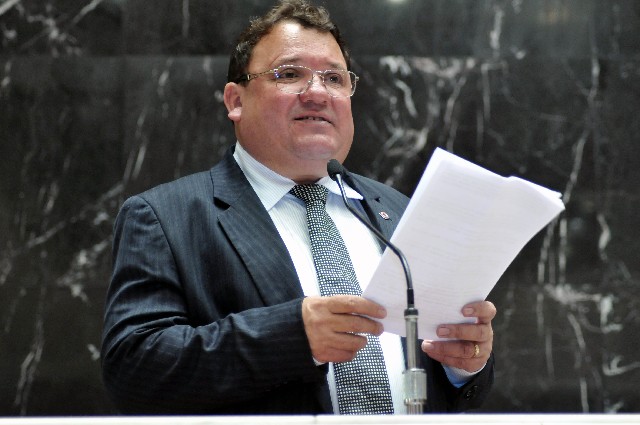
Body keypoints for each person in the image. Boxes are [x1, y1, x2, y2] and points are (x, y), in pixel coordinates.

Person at [101, 0, 496, 415]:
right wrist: (292, 338)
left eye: (334, 78)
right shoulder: (166, 217)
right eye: (289, 74)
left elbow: (453, 388)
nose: (318, 93)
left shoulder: (399, 213)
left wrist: (465, 365)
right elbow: (133, 370)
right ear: (235, 101)